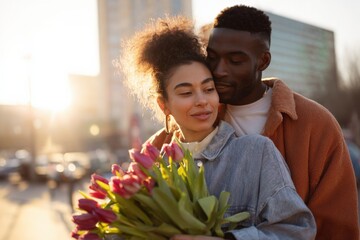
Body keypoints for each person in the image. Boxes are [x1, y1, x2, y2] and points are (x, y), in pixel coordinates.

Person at [150, 5, 360, 240]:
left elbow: (337, 229)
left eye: (235, 60)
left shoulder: (316, 125)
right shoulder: (180, 130)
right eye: (213, 57)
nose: (219, 71)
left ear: (263, 61)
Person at [118, 16, 316, 239]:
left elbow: (297, 231)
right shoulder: (153, 166)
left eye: (209, 89)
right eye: (186, 93)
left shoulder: (256, 152)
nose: (202, 100)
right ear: (164, 105)